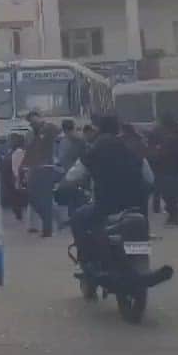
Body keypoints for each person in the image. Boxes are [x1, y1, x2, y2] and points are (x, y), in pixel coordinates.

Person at [64, 114, 156, 268]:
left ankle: (86, 260)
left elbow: (72, 176)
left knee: (77, 218)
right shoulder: (131, 148)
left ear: (98, 128)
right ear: (117, 128)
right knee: (140, 232)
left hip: (105, 207)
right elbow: (150, 179)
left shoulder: (94, 149)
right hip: (136, 207)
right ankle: (140, 263)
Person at [146, 114, 178, 226]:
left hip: (162, 167)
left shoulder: (158, 132)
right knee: (172, 191)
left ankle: (173, 215)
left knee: (167, 192)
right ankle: (174, 213)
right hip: (174, 167)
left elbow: (151, 148)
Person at [21, 110, 60, 237]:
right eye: (31, 122)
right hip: (35, 169)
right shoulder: (32, 134)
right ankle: (49, 221)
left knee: (46, 200)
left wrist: (43, 124)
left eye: (34, 120)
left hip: (47, 168)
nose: (33, 123)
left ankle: (47, 229)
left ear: (39, 118)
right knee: (32, 197)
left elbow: (57, 130)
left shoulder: (48, 128)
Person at [54, 120, 87, 229]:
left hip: (76, 173)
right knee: (73, 196)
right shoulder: (68, 141)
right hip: (71, 173)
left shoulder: (74, 141)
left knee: (75, 196)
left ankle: (75, 218)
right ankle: (73, 218)